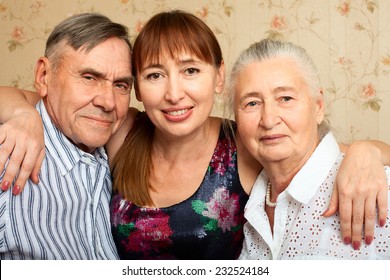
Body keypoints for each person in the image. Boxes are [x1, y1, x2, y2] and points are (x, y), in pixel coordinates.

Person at [0, 10, 389, 259]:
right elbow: (38, 98)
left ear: (218, 77)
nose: (173, 94)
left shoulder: (246, 142)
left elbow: (322, 151)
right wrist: (22, 115)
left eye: (190, 71)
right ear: (137, 87)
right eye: (154, 75)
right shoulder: (121, 130)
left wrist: (367, 152)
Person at [228, 39, 390, 259]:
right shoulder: (247, 199)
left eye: (285, 98)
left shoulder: (377, 188)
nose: (268, 120)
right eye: (252, 103)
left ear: (318, 106)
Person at [0, 12, 133, 259]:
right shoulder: (8, 159)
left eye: (121, 85)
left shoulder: (118, 149)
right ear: (43, 76)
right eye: (89, 77)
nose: (108, 102)